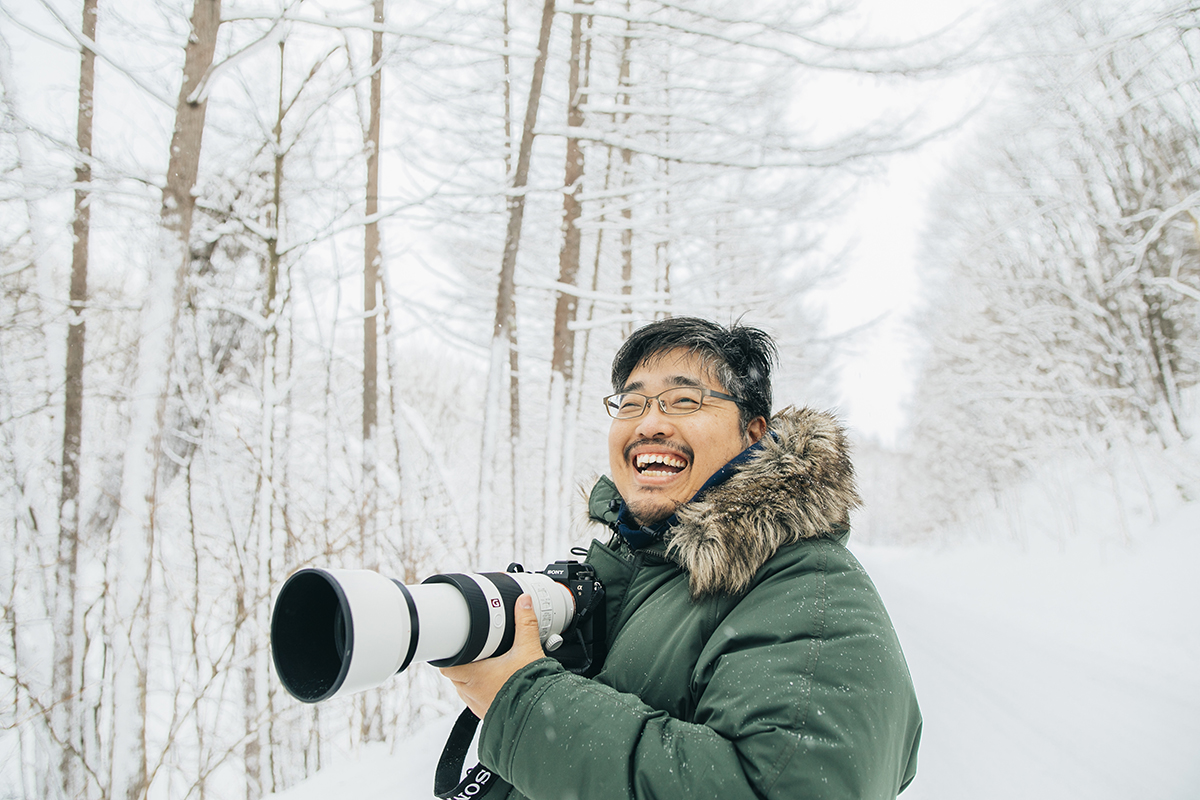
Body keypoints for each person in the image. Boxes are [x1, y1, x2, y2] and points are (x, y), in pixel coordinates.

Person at [441, 317, 921, 800]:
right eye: (631, 403)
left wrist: (524, 705)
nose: (649, 423)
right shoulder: (640, 575)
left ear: (753, 435)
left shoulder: (814, 590)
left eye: (684, 400)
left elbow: (778, 788)